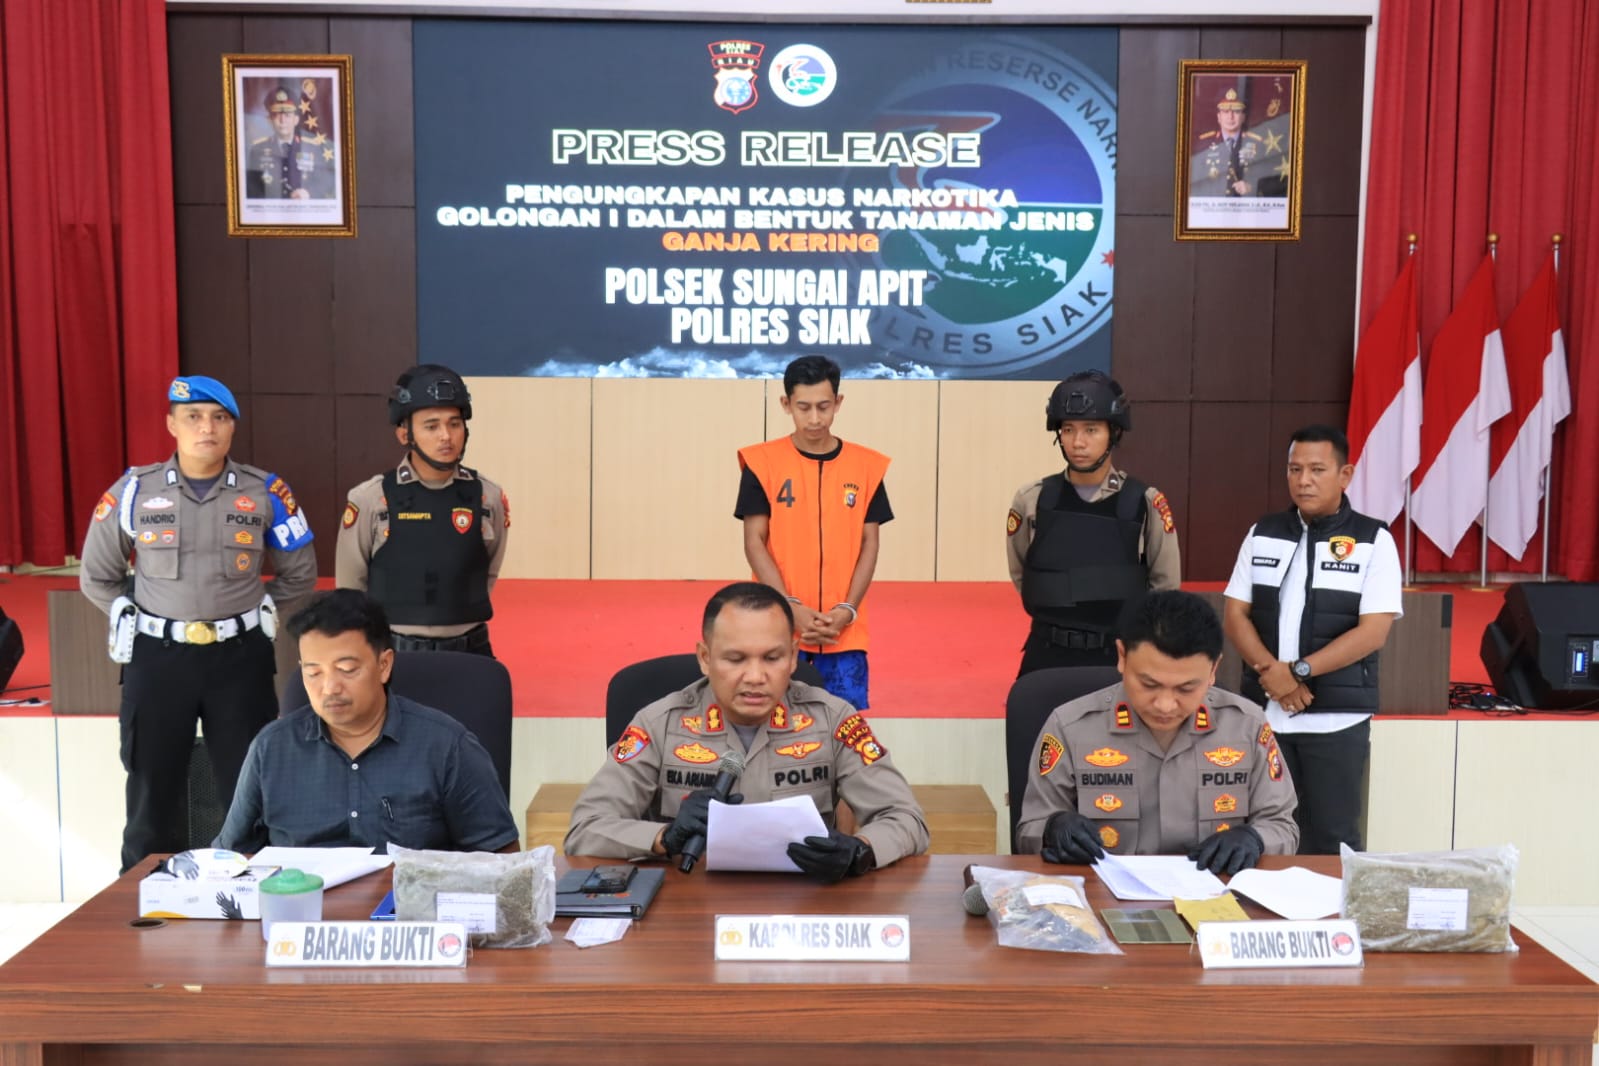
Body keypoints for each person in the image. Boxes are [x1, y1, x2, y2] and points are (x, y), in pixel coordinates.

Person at [80, 375, 318, 872]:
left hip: (239, 659)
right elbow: (97, 576)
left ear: (232, 427)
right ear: (172, 424)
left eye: (219, 417)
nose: (206, 428)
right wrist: (133, 614)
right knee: (151, 787)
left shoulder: (267, 492)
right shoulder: (133, 491)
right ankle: (144, 893)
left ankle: (251, 890)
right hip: (158, 659)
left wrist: (255, 610)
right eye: (193, 417)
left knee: (248, 786)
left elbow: (300, 572)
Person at [564, 581, 928, 881]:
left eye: (772, 658)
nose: (755, 677)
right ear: (705, 658)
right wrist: (663, 838)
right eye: (736, 659)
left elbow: (907, 819)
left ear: (793, 656)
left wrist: (860, 851)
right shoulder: (658, 724)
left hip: (803, 907)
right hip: (687, 911)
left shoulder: (833, 719)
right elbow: (585, 830)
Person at [215, 589, 519, 854]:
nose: (329, 688)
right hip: (303, 901)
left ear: (384, 665)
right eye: (313, 672)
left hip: (410, 902)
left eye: (346, 669)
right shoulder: (271, 749)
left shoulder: (447, 747)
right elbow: (229, 859)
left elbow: (502, 860)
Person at [1015, 590, 1299, 873]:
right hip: (1103, 892)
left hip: (1215, 891)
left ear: (1214, 669)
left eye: (1186, 688)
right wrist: (1052, 829)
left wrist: (1255, 839)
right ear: (1122, 656)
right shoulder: (1070, 727)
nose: (1165, 705)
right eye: (1149, 685)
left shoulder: (1247, 725)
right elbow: (1030, 829)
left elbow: (1281, 825)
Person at [1222, 424, 1401, 854]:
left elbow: (1373, 631)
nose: (1304, 480)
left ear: (1345, 475)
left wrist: (1298, 672)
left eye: (1317, 470)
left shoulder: (1373, 539)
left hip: (1336, 721)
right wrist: (1273, 676)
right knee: (1260, 836)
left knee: (1332, 841)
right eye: (1295, 469)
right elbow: (1235, 614)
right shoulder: (1263, 532)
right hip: (1266, 717)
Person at [735, 355, 892, 709]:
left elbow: (870, 543)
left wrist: (847, 610)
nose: (815, 418)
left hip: (843, 630)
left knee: (841, 725)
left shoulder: (867, 466)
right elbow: (754, 542)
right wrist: (789, 607)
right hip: (777, 625)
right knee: (773, 720)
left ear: (838, 402)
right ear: (786, 404)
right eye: (803, 407)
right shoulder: (761, 463)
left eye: (824, 406)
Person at [1006, 370, 1180, 676]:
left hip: (1117, 658)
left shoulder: (1144, 502)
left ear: (1114, 433)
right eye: (1068, 430)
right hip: (1045, 654)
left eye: (1091, 430)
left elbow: (1165, 586)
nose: (1078, 442)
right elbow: (1023, 574)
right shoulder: (1032, 499)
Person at [336, 364, 509, 657]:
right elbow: (350, 589)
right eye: (431, 426)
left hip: (471, 652)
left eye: (454, 424)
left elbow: (487, 572)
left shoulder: (487, 497)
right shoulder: (371, 499)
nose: (446, 436)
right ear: (404, 435)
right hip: (395, 654)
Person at [246, 85, 334, 200]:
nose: (282, 121)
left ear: (296, 120)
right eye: (277, 115)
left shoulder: (312, 148)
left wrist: (309, 193)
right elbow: (252, 188)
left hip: (304, 209)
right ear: (270, 120)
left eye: (287, 115)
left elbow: (325, 180)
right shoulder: (258, 150)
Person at [1191, 87, 1263, 198]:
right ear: (1219, 117)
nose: (1230, 117)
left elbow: (1265, 177)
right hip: (1212, 205)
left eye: (1236, 111)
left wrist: (1250, 187)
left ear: (1243, 117)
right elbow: (1195, 181)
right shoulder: (1204, 145)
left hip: (1244, 205)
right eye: (1225, 112)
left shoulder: (1256, 143)